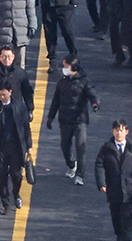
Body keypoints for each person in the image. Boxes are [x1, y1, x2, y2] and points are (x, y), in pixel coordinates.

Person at [0, 80, 32, 215]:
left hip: (16, 147)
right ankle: (5, 203)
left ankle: (16, 193)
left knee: (16, 175)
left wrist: (29, 145)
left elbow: (26, 127)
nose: (2, 98)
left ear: (10, 92)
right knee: (1, 176)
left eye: (4, 95)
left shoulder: (19, 106)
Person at [45, 54, 99, 187]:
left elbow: (92, 94)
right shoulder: (62, 82)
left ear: (73, 67)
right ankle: (71, 164)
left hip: (79, 120)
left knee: (81, 147)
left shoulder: (84, 81)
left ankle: (80, 174)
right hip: (65, 119)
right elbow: (55, 101)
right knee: (64, 145)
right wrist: (50, 117)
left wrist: (95, 104)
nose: (63, 69)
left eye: (65, 66)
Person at [95, 119, 132, 241]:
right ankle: (120, 236)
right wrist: (101, 183)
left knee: (126, 221)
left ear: (126, 131)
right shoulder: (106, 149)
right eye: (116, 130)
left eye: (121, 130)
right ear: (112, 131)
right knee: (116, 220)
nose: (119, 133)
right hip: (114, 192)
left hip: (129, 191)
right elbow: (99, 165)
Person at [0, 45, 35, 123]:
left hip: (16, 111)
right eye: (4, 57)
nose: (7, 59)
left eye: (9, 56)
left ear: (13, 57)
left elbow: (27, 92)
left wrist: (29, 109)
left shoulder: (20, 73)